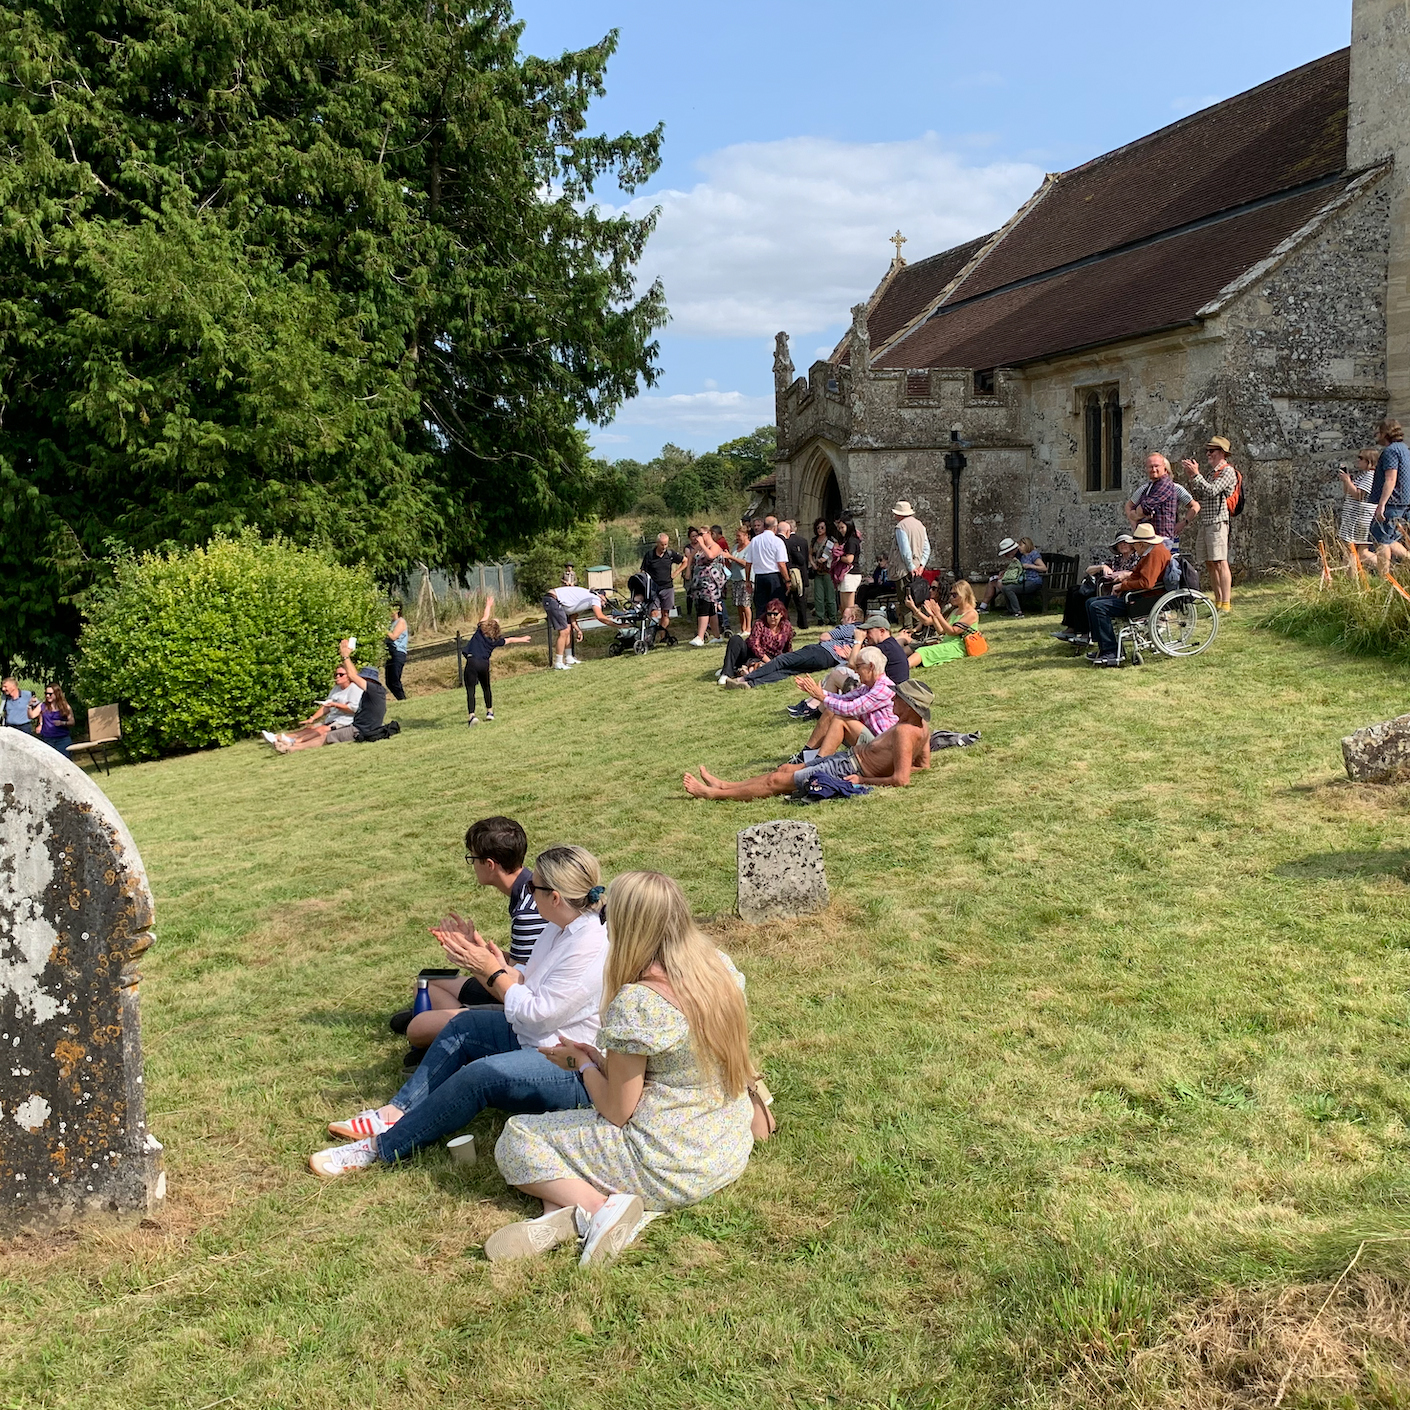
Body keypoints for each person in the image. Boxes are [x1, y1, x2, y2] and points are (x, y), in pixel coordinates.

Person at [487, 870, 756, 1266]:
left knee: (519, 1137)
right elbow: (668, 1067)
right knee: (560, 1143)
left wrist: (582, 1064)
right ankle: (564, 1214)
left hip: (669, 1163)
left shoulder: (640, 1002)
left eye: (606, 914)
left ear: (627, 926)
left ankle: (601, 1210)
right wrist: (597, 1058)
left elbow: (617, 1111)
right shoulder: (718, 968)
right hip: (725, 1146)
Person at [310, 846, 608, 1178]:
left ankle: (380, 1148)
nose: (527, 891)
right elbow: (526, 982)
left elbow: (538, 1013)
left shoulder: (589, 946)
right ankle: (394, 1113)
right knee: (464, 1025)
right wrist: (484, 960)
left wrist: (490, 971)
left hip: (572, 1065)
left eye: (532, 886)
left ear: (554, 897)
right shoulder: (558, 927)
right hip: (539, 1038)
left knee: (479, 1076)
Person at [387, 816, 552, 1060]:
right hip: (521, 989)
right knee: (426, 984)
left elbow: (516, 988)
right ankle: (452, 1027)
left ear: (489, 864)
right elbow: (523, 963)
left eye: (472, 858)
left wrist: (471, 958)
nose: (472, 864)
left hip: (528, 1010)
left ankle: (463, 1036)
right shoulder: (527, 892)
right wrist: (476, 946)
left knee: (418, 1028)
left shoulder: (528, 912)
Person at [684, 679, 934, 799]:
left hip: (848, 769)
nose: (892, 699)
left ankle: (712, 794)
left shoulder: (904, 732)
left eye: (898, 698)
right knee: (783, 770)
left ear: (910, 705)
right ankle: (724, 785)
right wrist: (894, 765)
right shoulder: (923, 728)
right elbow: (923, 766)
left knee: (776, 781)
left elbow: (901, 780)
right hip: (845, 760)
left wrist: (863, 779)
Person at [786, 646, 896, 764]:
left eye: (858, 667)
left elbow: (851, 708)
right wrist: (816, 692)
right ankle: (806, 757)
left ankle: (816, 763)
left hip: (883, 748)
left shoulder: (884, 688)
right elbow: (843, 699)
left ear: (871, 666)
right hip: (873, 741)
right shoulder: (869, 687)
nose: (855, 671)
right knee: (832, 710)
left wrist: (821, 696)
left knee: (840, 718)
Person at [1083, 523, 1172, 667]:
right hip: (1138, 594)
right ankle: (1104, 647)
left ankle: (1111, 651)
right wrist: (1124, 583)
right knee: (1090, 602)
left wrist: (1123, 585)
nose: (1133, 547)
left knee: (1097, 607)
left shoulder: (1154, 555)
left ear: (1141, 544)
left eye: (1134, 544)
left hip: (1144, 599)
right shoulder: (1152, 552)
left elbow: (1146, 583)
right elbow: (1139, 576)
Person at [721, 607, 863, 688]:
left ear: (852, 619)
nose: (841, 620)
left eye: (844, 617)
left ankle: (744, 679)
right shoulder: (861, 640)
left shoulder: (850, 628)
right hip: (827, 661)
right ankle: (752, 683)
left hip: (820, 651)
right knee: (787, 671)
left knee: (782, 661)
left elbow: (824, 637)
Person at [1181, 437, 1238, 612]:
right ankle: (1218, 602)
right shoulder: (1210, 473)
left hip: (1218, 522)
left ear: (1222, 453)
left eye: (1211, 451)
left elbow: (1212, 491)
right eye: (1207, 451)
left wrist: (1196, 475)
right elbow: (1199, 494)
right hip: (1206, 522)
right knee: (1210, 563)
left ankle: (1226, 603)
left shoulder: (1227, 471)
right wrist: (1192, 477)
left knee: (1220, 562)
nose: (1208, 454)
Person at [1051, 534, 1141, 644]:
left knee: (1084, 596)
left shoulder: (1137, 558)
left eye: (1125, 542)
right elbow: (1088, 570)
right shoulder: (1116, 560)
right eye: (1120, 543)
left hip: (1116, 590)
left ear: (1132, 545)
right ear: (1116, 547)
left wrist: (1124, 574)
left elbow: (1137, 573)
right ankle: (1072, 628)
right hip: (1104, 587)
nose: (1123, 545)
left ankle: (1085, 633)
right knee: (1073, 590)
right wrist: (1102, 567)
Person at [266, 659, 365, 751]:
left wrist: (336, 705)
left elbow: (353, 709)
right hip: (332, 718)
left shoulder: (355, 688)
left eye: (341, 674)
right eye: (336, 674)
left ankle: (294, 742)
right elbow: (326, 706)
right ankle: (278, 737)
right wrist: (312, 718)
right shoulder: (336, 689)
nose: (337, 677)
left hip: (345, 720)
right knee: (310, 728)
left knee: (321, 730)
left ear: (349, 676)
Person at [462, 595, 532, 726]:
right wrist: (522, 639)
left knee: (471, 690)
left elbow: (485, 616)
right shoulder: (495, 640)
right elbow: (510, 640)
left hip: (472, 661)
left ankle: (472, 715)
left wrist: (488, 605)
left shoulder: (480, 631)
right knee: (486, 688)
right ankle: (490, 712)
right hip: (484, 663)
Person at [1124, 454, 1199, 547]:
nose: (1153, 469)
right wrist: (1135, 526)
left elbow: (1195, 506)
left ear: (1165, 469)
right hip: (1148, 536)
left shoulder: (1173, 487)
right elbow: (1129, 505)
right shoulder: (1145, 488)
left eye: (1157, 466)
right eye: (1150, 467)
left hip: (1163, 536)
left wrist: (1184, 523)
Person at [1369, 419, 1410, 578]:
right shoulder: (1405, 449)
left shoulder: (1390, 452)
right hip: (1404, 502)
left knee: (1382, 541)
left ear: (1385, 433)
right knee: (1391, 539)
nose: (1376, 436)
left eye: (1378, 433)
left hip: (1392, 503)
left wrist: (1382, 505)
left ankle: (1384, 577)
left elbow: (1391, 479)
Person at [542, 583, 616, 670]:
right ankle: (558, 663)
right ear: (601, 596)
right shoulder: (595, 598)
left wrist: (578, 630)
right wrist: (617, 625)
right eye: (604, 599)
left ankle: (569, 657)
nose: (604, 603)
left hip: (555, 600)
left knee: (568, 628)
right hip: (552, 599)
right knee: (564, 631)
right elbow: (600, 617)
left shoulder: (585, 599)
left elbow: (572, 618)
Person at [717, 600, 794, 683]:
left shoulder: (786, 626)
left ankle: (738, 669)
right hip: (752, 654)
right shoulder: (759, 624)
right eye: (769, 614)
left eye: (775, 614)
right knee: (735, 639)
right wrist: (770, 663)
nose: (772, 617)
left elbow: (788, 647)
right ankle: (726, 673)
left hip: (773, 657)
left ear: (781, 614)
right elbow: (754, 645)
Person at [907, 582, 980, 668]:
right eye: (951, 594)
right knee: (915, 648)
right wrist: (933, 615)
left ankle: (901, 668)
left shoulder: (971, 614)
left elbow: (952, 631)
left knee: (922, 651)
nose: (951, 597)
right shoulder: (955, 611)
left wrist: (938, 614)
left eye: (955, 595)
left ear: (964, 595)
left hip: (958, 647)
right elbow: (941, 631)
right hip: (946, 643)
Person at [682, 526, 728, 647]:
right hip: (699, 581)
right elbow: (691, 556)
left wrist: (702, 545)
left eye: (701, 534)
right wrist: (688, 570)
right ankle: (717, 636)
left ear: (709, 533)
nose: (699, 537)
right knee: (711, 609)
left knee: (705, 606)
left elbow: (711, 556)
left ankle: (700, 636)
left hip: (710, 582)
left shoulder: (715, 546)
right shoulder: (699, 547)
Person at [1336, 449, 1381, 572]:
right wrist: (1346, 481)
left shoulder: (1370, 476)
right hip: (1356, 518)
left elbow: (1359, 495)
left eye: (1361, 458)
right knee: (1362, 553)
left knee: (1350, 548)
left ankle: (1351, 576)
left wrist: (1348, 481)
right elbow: (1348, 492)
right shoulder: (1364, 476)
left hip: (1358, 519)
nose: (1358, 460)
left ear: (1369, 462)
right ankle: (1387, 568)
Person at [978, 537, 1046, 615]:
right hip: (1021, 579)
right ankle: (986, 607)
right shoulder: (1022, 556)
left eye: (1020, 545)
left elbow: (1044, 568)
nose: (1019, 547)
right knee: (995, 582)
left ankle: (1016, 611)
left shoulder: (1031, 554)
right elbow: (1017, 568)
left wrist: (1029, 566)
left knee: (1006, 587)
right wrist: (1006, 572)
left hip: (1031, 580)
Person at [891, 501, 931, 629]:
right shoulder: (920, 525)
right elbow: (927, 548)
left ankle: (908, 628)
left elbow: (905, 550)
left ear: (899, 514)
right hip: (918, 567)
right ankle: (919, 625)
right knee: (917, 598)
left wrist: (911, 567)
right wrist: (921, 565)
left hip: (904, 569)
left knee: (905, 599)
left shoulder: (901, 527)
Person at [740, 515, 790, 615]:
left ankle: (761, 624)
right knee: (776, 606)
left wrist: (748, 580)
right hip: (774, 576)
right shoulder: (777, 541)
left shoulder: (755, 540)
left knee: (761, 606)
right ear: (775, 527)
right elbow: (781, 564)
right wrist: (787, 580)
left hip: (760, 577)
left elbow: (748, 563)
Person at [639, 534, 684, 639]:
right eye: (662, 544)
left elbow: (685, 561)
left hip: (667, 587)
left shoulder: (670, 554)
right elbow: (643, 571)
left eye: (666, 544)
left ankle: (663, 637)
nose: (664, 547)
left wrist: (676, 573)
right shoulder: (649, 555)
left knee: (665, 614)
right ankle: (650, 637)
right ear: (657, 543)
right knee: (654, 613)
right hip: (653, 588)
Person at [780, 520, 810, 628]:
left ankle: (785, 622)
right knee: (800, 600)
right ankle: (803, 623)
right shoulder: (803, 540)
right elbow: (803, 559)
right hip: (798, 573)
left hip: (786, 573)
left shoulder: (785, 541)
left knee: (785, 600)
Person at [725, 525, 754, 636]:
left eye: (739, 536)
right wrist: (727, 559)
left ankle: (748, 628)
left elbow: (745, 563)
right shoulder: (735, 547)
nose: (737, 538)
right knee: (739, 605)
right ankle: (742, 627)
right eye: (736, 536)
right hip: (735, 578)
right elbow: (732, 562)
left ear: (746, 535)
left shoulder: (750, 547)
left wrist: (731, 557)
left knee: (746, 604)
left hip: (745, 579)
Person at [29, 684, 74, 754]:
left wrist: (62, 723)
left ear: (57, 694)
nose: (47, 696)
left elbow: (72, 722)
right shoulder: (42, 706)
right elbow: (31, 715)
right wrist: (29, 706)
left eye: (50, 694)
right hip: (48, 739)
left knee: (62, 759)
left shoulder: (65, 707)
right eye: (46, 693)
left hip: (62, 739)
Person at [809, 518, 838, 625]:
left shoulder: (831, 540)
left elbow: (836, 553)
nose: (819, 529)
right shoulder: (814, 541)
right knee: (818, 597)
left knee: (830, 597)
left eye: (822, 527)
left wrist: (827, 559)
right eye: (818, 527)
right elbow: (810, 554)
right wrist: (813, 564)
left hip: (828, 572)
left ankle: (832, 618)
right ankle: (820, 618)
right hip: (818, 571)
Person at [833, 518, 863, 615]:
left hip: (851, 574)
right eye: (839, 528)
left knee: (849, 608)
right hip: (847, 574)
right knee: (843, 608)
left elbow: (849, 559)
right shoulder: (846, 540)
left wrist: (838, 556)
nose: (840, 530)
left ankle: (852, 622)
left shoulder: (851, 541)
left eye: (842, 527)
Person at [384, 602, 410, 702]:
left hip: (398, 652)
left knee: (395, 679)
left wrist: (382, 629)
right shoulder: (391, 623)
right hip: (390, 653)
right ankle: (401, 699)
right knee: (389, 682)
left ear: (397, 610)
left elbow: (394, 636)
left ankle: (403, 700)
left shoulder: (401, 622)